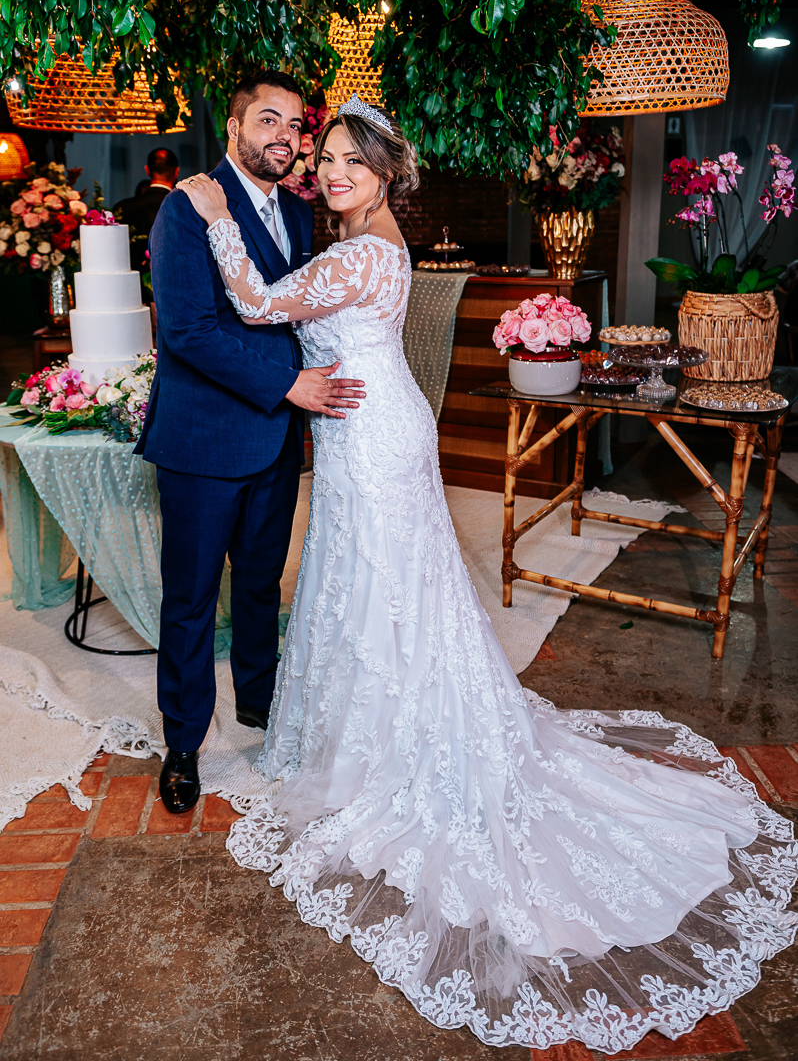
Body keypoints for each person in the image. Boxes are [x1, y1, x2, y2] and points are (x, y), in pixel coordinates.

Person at [177, 95, 798, 1055]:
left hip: (370, 437)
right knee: (379, 590)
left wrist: (218, 222)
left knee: (382, 588)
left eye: (354, 161)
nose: (334, 172)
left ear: (388, 176)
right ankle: (375, 725)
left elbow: (259, 305)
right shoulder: (369, 243)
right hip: (366, 430)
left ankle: (392, 747)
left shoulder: (363, 250)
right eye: (328, 158)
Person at [134, 71, 366, 817]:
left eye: (296, 126)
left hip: (275, 443)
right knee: (193, 597)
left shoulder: (298, 218)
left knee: (264, 585)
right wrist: (289, 387)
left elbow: (291, 314)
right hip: (203, 441)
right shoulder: (185, 208)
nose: (286, 138)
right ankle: (183, 742)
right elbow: (189, 332)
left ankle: (262, 705)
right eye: (268, 120)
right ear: (234, 126)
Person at [114, 149, 181, 286]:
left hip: (130, 289)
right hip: (175, 285)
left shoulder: (122, 208)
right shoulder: (186, 207)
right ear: (176, 172)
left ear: (147, 170)